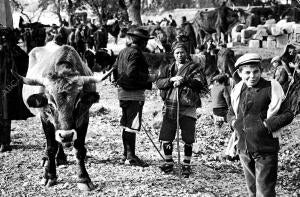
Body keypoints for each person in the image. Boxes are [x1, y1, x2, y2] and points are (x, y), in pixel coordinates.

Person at [227, 53, 294, 196]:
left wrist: (266, 125)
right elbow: (231, 112)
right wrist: (234, 123)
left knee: (264, 193)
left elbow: (288, 114)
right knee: (252, 191)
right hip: (244, 148)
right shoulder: (238, 89)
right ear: (240, 73)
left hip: (265, 149)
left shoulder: (271, 87)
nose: (252, 76)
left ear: (261, 70)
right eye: (247, 72)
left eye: (256, 71)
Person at [156, 42, 207, 178]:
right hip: (170, 106)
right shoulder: (168, 68)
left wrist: (184, 80)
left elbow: (200, 83)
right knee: (166, 136)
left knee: (188, 138)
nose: (180, 55)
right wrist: (172, 79)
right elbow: (159, 82)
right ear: (173, 54)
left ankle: (186, 165)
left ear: (187, 53)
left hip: (188, 107)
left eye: (182, 52)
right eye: (177, 53)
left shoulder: (194, 67)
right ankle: (168, 162)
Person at [113, 28, 157, 167]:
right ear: (143, 43)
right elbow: (132, 73)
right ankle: (131, 157)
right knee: (132, 125)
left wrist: (120, 83)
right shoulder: (137, 53)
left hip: (123, 93)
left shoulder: (122, 51)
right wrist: (150, 77)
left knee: (127, 125)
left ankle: (126, 155)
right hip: (134, 94)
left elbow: (114, 70)